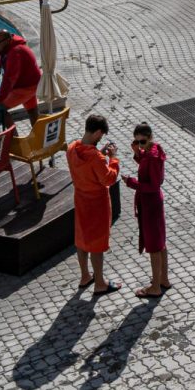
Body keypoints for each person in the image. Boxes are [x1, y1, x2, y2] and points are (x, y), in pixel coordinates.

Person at [67, 114, 122, 294]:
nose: (101, 138)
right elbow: (108, 179)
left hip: (81, 199)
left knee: (82, 238)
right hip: (97, 203)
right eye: (101, 135)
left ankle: (85, 276)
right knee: (97, 243)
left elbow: (89, 160)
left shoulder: (72, 148)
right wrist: (112, 158)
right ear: (98, 132)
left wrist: (100, 153)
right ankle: (100, 282)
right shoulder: (96, 158)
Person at [124, 122, 169, 299]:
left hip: (151, 205)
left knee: (154, 246)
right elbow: (147, 165)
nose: (140, 145)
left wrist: (131, 182)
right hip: (153, 203)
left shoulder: (152, 157)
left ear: (149, 138)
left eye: (142, 142)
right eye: (136, 142)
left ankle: (155, 287)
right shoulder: (154, 150)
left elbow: (153, 184)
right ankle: (163, 279)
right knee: (160, 243)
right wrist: (137, 153)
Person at [0, 30, 42, 127]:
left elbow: (8, 80)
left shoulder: (15, 52)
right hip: (30, 83)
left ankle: (14, 139)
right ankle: (40, 135)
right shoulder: (3, 49)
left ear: (8, 40)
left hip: (27, 87)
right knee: (32, 111)